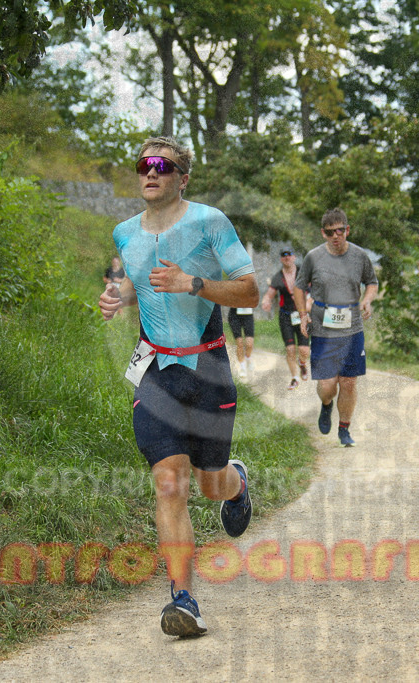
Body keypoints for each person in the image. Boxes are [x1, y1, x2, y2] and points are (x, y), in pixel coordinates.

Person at [98, 136, 257, 637]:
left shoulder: (210, 223)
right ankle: (183, 598)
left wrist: (195, 284)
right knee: (169, 482)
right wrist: (119, 296)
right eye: (144, 164)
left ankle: (237, 481)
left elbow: (249, 289)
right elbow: (140, 279)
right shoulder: (125, 232)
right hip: (154, 370)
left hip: (207, 368)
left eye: (162, 166)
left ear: (182, 177)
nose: (151, 172)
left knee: (210, 485)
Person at [292, 208, 378, 447]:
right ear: (323, 233)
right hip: (323, 329)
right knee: (328, 386)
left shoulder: (360, 256)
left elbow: (372, 282)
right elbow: (299, 287)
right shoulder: (313, 257)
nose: (336, 236)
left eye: (340, 230)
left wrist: (367, 300)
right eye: (330, 232)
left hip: (352, 328)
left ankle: (344, 430)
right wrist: (302, 315)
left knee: (349, 382)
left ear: (347, 230)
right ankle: (326, 405)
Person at [261, 248, 310, 389]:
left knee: (304, 350)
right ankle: (295, 377)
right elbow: (269, 294)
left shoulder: (303, 272)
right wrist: (265, 301)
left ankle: (302, 363)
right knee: (290, 350)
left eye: (289, 255)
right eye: (284, 255)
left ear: (294, 257)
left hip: (302, 315)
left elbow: (315, 289)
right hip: (286, 316)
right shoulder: (278, 277)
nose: (287, 258)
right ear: (281, 259)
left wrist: (310, 301)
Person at [227, 305, 255, 379]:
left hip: (248, 315)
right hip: (234, 315)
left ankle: (248, 358)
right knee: (239, 343)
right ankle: (242, 367)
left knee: (249, 344)